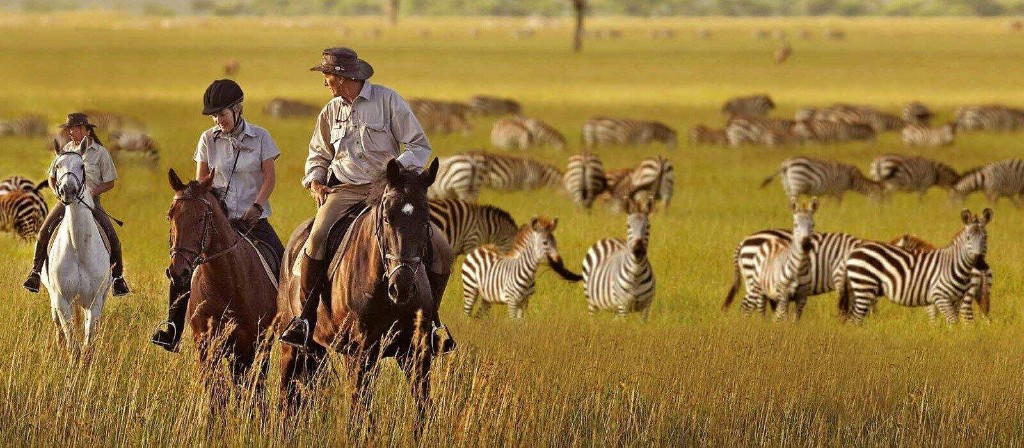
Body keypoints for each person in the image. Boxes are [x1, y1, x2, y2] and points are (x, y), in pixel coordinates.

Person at [278, 47, 454, 350]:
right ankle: (305, 319)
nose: (325, 83)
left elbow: (419, 146)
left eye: (327, 76)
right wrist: (316, 179)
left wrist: (395, 171)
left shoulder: (388, 101)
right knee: (317, 237)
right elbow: (318, 154)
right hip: (345, 191)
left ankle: (432, 323)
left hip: (387, 190)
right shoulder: (330, 111)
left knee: (441, 248)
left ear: (344, 77)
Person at [150, 79, 284, 351]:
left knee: (282, 263)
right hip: (216, 221)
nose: (217, 120)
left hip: (252, 220)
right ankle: (172, 327)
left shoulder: (261, 137)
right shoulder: (207, 139)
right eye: (214, 115)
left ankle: (292, 322)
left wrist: (257, 207)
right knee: (183, 265)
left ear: (238, 109)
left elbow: (269, 178)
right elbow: (201, 182)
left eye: (222, 114)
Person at [23, 113, 130, 296]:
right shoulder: (65, 149)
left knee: (112, 236)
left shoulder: (100, 152)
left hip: (91, 202)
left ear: (87, 130)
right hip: (67, 200)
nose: (72, 132)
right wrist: (56, 190)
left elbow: (110, 182)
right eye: (70, 129)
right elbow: (51, 177)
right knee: (43, 231)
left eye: (77, 128)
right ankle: (35, 272)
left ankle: (118, 279)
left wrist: (92, 192)